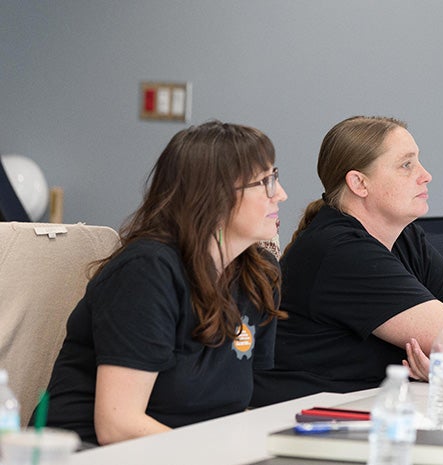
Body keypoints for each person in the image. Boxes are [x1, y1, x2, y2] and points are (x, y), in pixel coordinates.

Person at [31, 121, 288, 445]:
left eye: (274, 177)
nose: (280, 193)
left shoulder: (260, 275)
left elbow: (246, 404)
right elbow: (118, 426)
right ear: (216, 197)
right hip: (92, 453)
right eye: (265, 182)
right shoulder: (147, 272)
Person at [251, 115, 443, 407]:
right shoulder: (340, 249)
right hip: (305, 417)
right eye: (406, 165)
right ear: (359, 183)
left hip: (372, 408)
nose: (425, 175)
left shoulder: (406, 237)